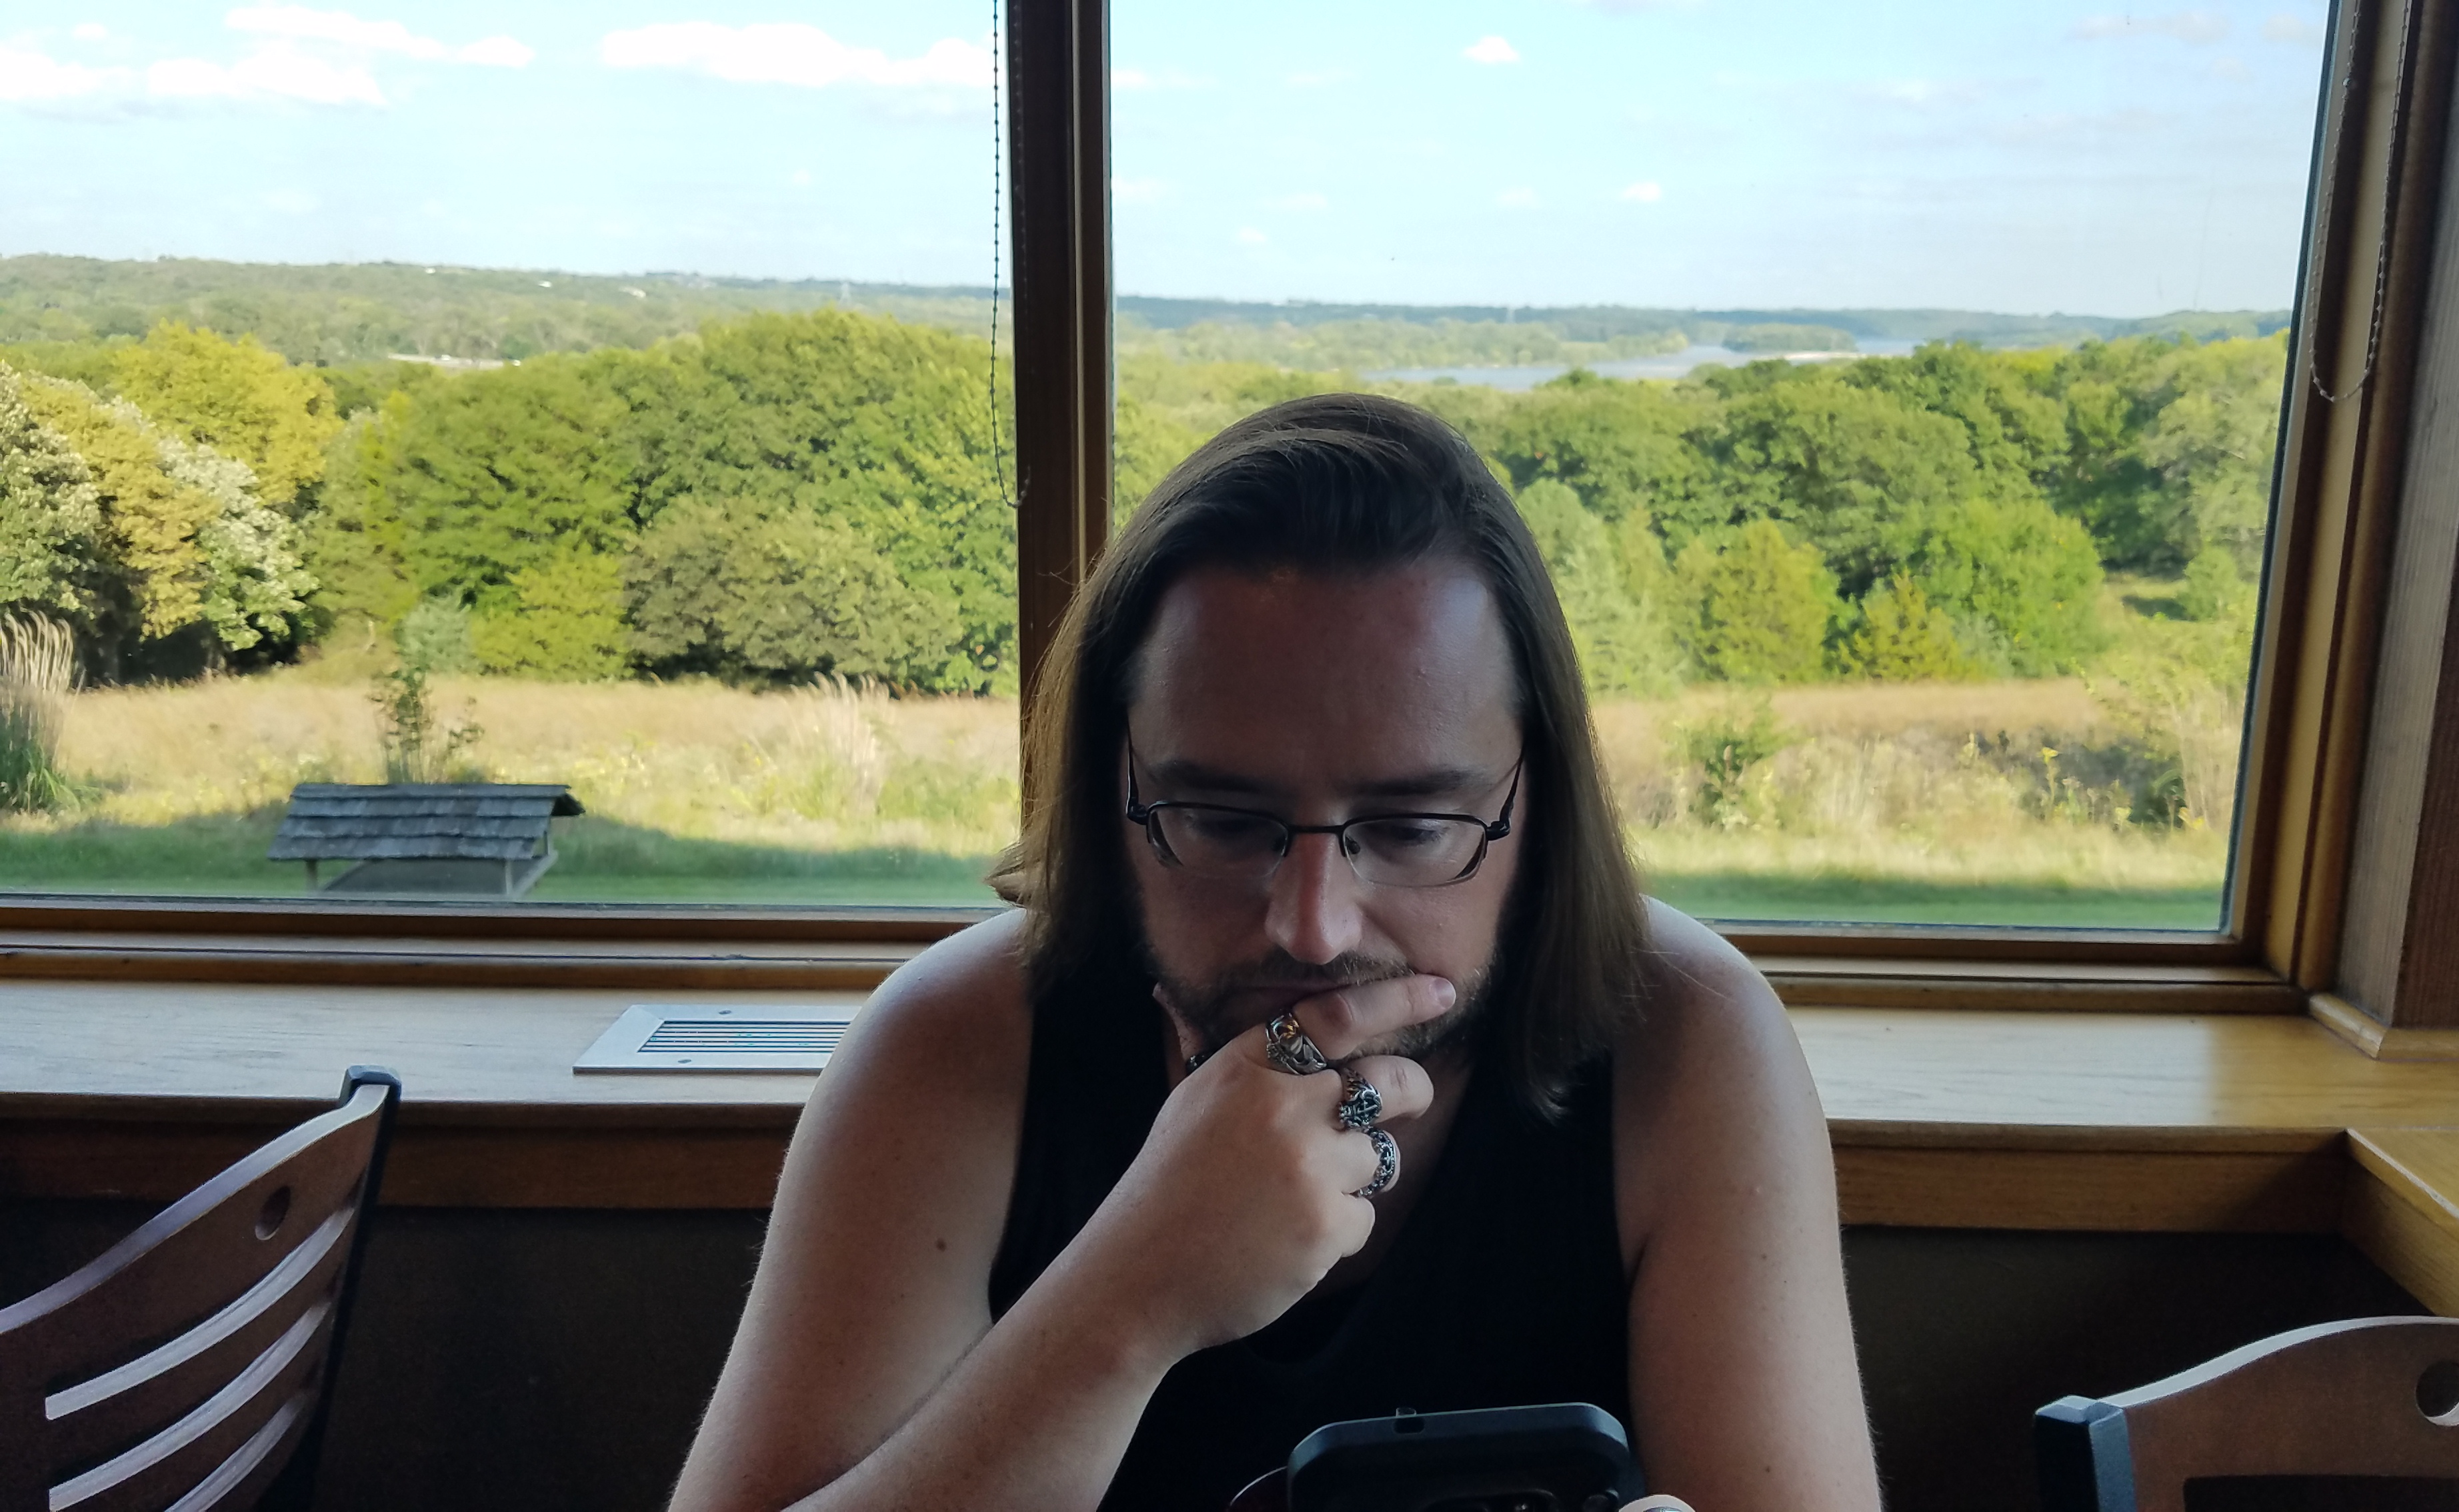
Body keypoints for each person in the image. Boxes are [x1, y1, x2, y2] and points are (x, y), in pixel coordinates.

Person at [669, 394, 1879, 1512]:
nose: (1313, 924)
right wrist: (1130, 1297)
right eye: (1221, 820)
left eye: (1412, 828)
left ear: (1540, 808)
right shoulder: (958, 1042)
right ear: (1112, 790)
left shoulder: (1685, 1040)